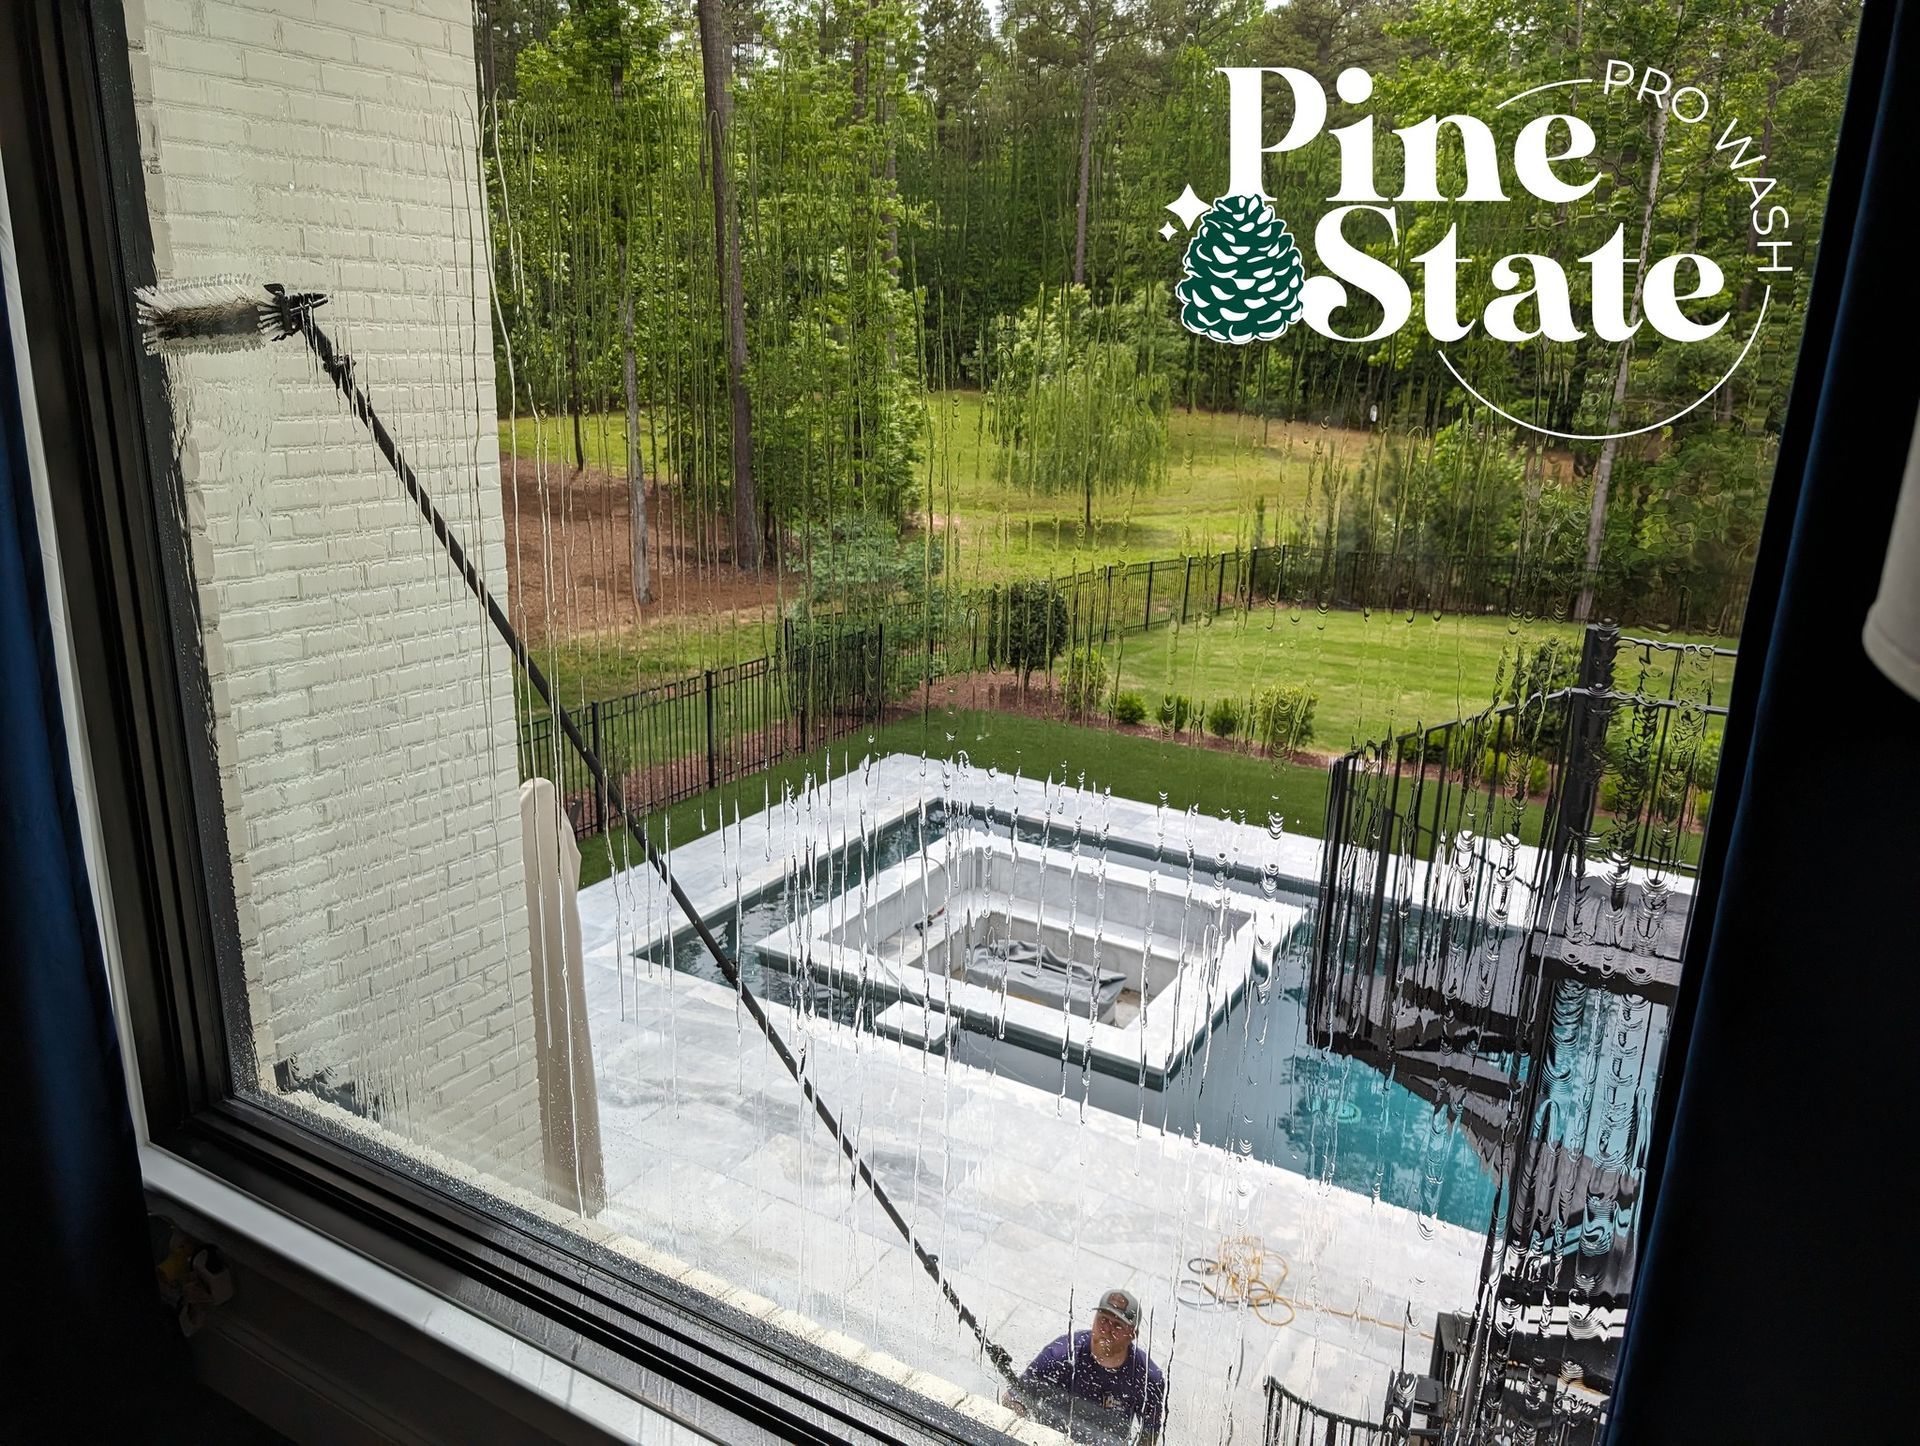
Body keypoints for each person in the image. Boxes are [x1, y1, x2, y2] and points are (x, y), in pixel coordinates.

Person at [1009, 1287, 1167, 1442]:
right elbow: (1015, 1396)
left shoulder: (1147, 1378)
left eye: (1117, 1325)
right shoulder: (1060, 1355)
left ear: (1133, 1334)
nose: (1107, 1329)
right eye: (1103, 1319)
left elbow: (1149, 1433)